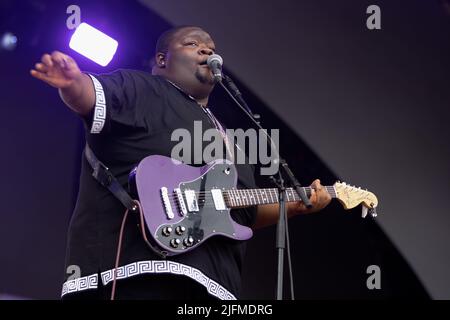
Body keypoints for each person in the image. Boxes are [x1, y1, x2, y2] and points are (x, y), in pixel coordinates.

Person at [30, 26, 331, 300]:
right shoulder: (142, 88)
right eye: (193, 44)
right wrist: (72, 84)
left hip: (214, 286)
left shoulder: (231, 142)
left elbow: (244, 213)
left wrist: (294, 205)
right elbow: (89, 96)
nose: (207, 50)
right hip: (137, 273)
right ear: (162, 60)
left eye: (211, 48)